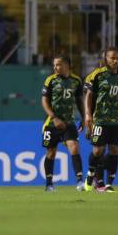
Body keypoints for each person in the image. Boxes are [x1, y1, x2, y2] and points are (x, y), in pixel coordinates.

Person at [84, 46, 118, 193]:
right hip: (100, 119)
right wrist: (87, 115)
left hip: (116, 120)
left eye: (117, 58)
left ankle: (108, 183)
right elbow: (89, 96)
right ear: (106, 58)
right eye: (112, 58)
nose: (115, 61)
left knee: (115, 150)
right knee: (98, 151)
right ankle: (91, 175)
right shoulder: (97, 75)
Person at [41, 55, 85, 192]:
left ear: (67, 65)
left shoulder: (76, 81)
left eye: (58, 65)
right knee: (51, 152)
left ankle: (79, 182)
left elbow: (79, 101)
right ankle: (49, 184)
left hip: (69, 122)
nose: (55, 68)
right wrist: (54, 118)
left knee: (74, 147)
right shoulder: (50, 80)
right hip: (51, 123)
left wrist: (84, 118)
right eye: (54, 65)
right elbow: (44, 102)